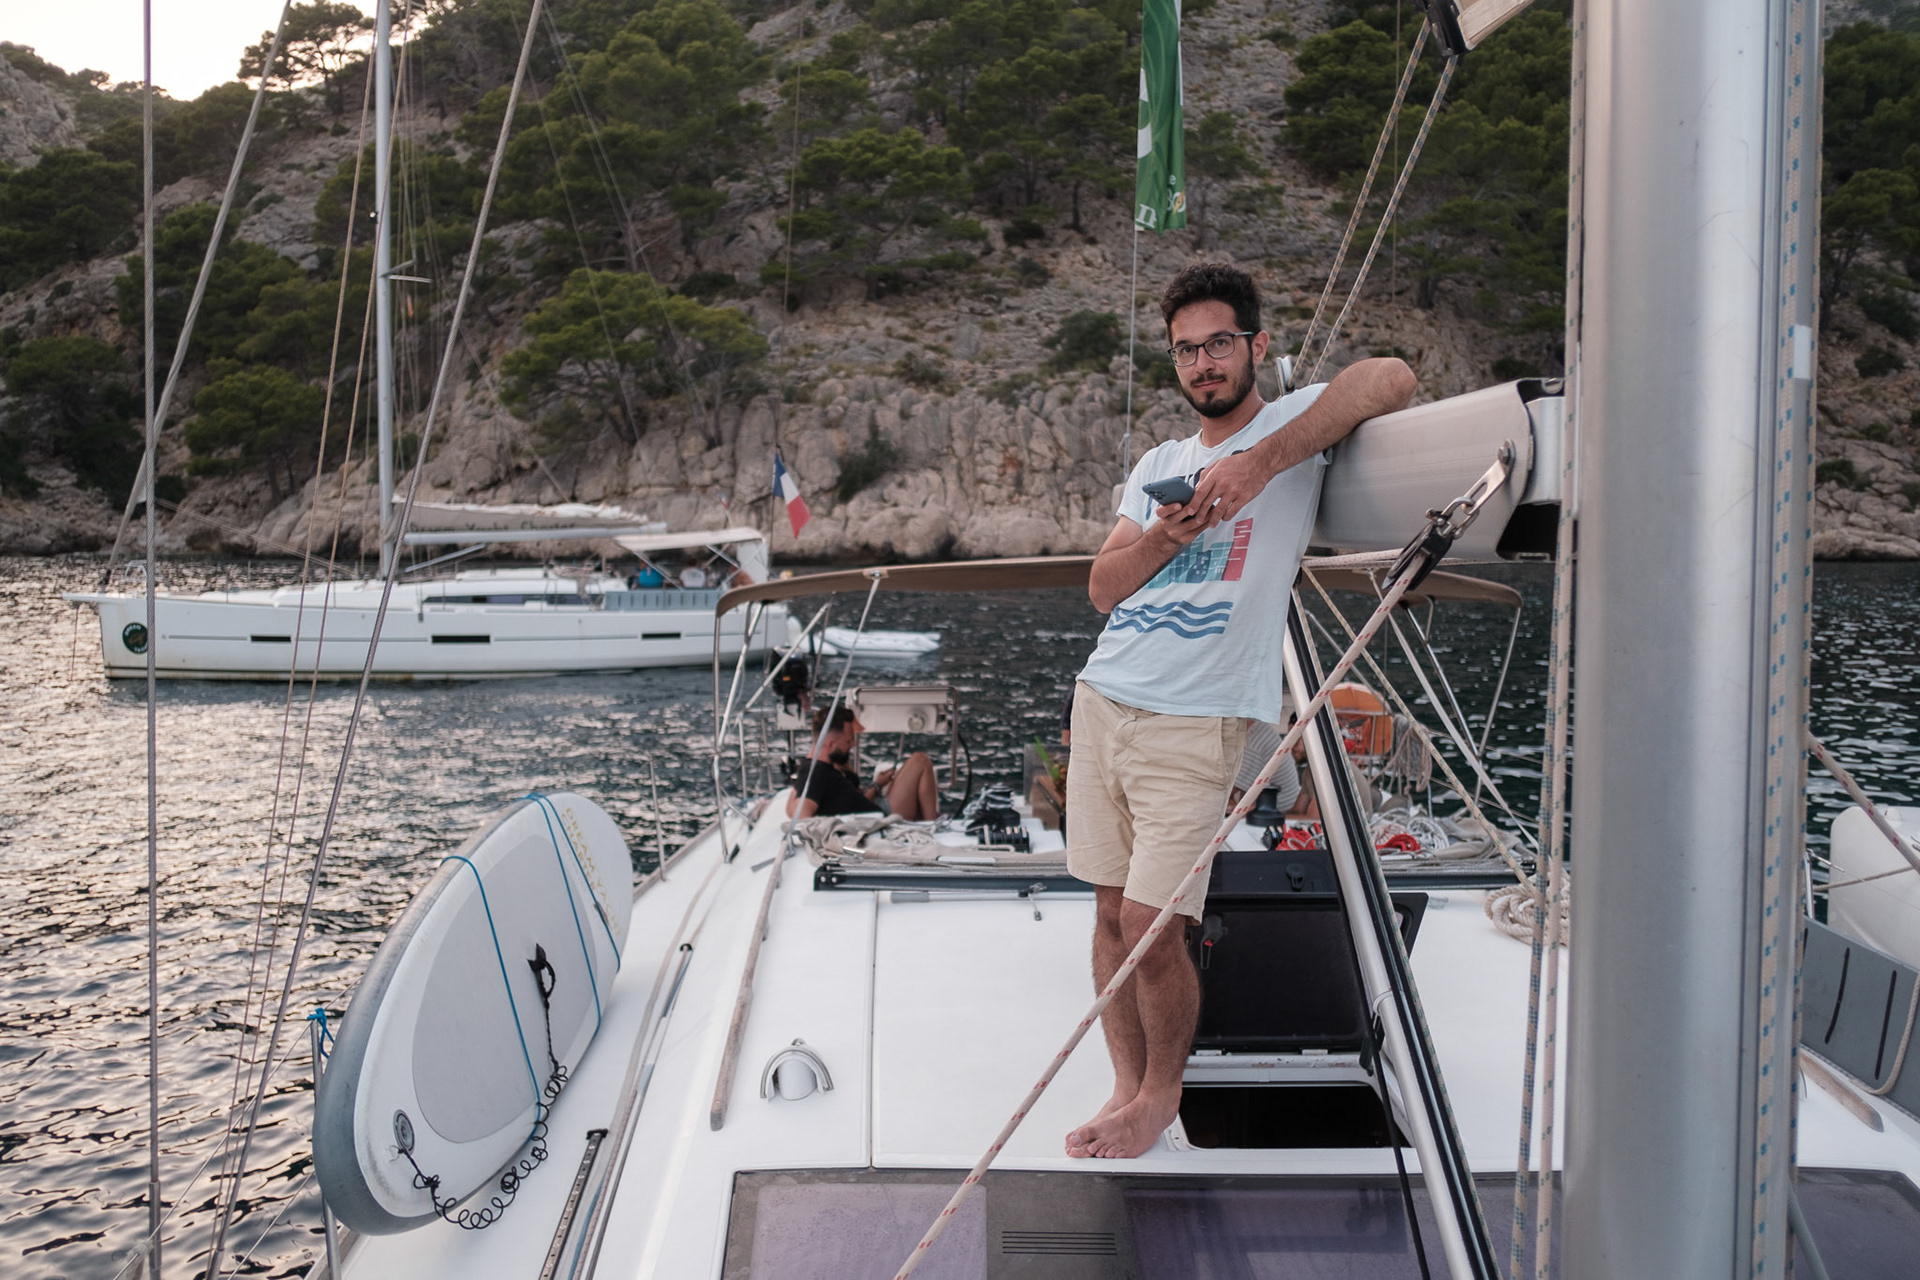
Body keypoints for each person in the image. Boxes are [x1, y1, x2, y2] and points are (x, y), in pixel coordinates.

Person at [1063, 261, 1416, 1159]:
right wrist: (1163, 536)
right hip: (1105, 699)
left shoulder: (1295, 429)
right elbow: (1102, 589)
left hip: (1200, 719)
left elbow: (1391, 379)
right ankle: (1125, 1086)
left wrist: (1258, 465)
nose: (1203, 363)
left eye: (1219, 343)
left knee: (1154, 929)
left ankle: (1163, 1094)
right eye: (1186, 350)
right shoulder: (1159, 464)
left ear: (1257, 345)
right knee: (1109, 914)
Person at [785, 704, 939, 821]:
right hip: (884, 817)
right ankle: (932, 825)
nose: (853, 744)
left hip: (873, 810)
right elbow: (800, 816)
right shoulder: (816, 773)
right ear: (830, 744)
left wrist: (877, 784)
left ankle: (929, 821)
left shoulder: (822, 766)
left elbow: (851, 802)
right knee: (920, 761)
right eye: (848, 741)